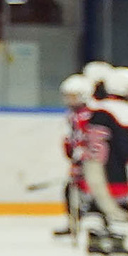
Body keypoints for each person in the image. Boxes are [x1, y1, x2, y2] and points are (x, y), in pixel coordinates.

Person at [76, 66, 128, 256]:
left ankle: (94, 238)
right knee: (120, 206)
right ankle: (116, 240)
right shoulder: (124, 110)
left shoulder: (96, 108)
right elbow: (125, 146)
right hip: (114, 171)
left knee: (94, 204)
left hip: (91, 169)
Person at [55, 73, 92, 239]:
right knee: (70, 191)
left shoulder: (88, 114)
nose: (69, 100)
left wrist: (83, 152)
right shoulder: (72, 115)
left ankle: (99, 223)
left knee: (90, 193)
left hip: (90, 162)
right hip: (78, 162)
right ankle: (73, 223)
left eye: (73, 96)